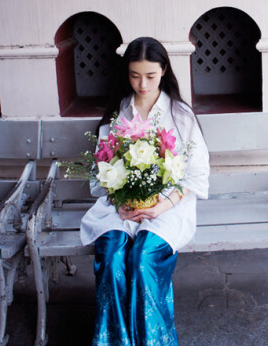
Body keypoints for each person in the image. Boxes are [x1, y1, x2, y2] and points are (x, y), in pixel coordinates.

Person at [80, 36, 210, 346]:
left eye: (150, 76)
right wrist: (119, 200)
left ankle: (154, 341)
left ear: (164, 71)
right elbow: (103, 170)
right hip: (120, 207)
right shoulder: (119, 113)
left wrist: (161, 206)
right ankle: (115, 340)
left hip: (168, 207)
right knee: (111, 258)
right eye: (135, 75)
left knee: (141, 259)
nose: (142, 84)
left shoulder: (179, 115)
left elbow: (196, 174)